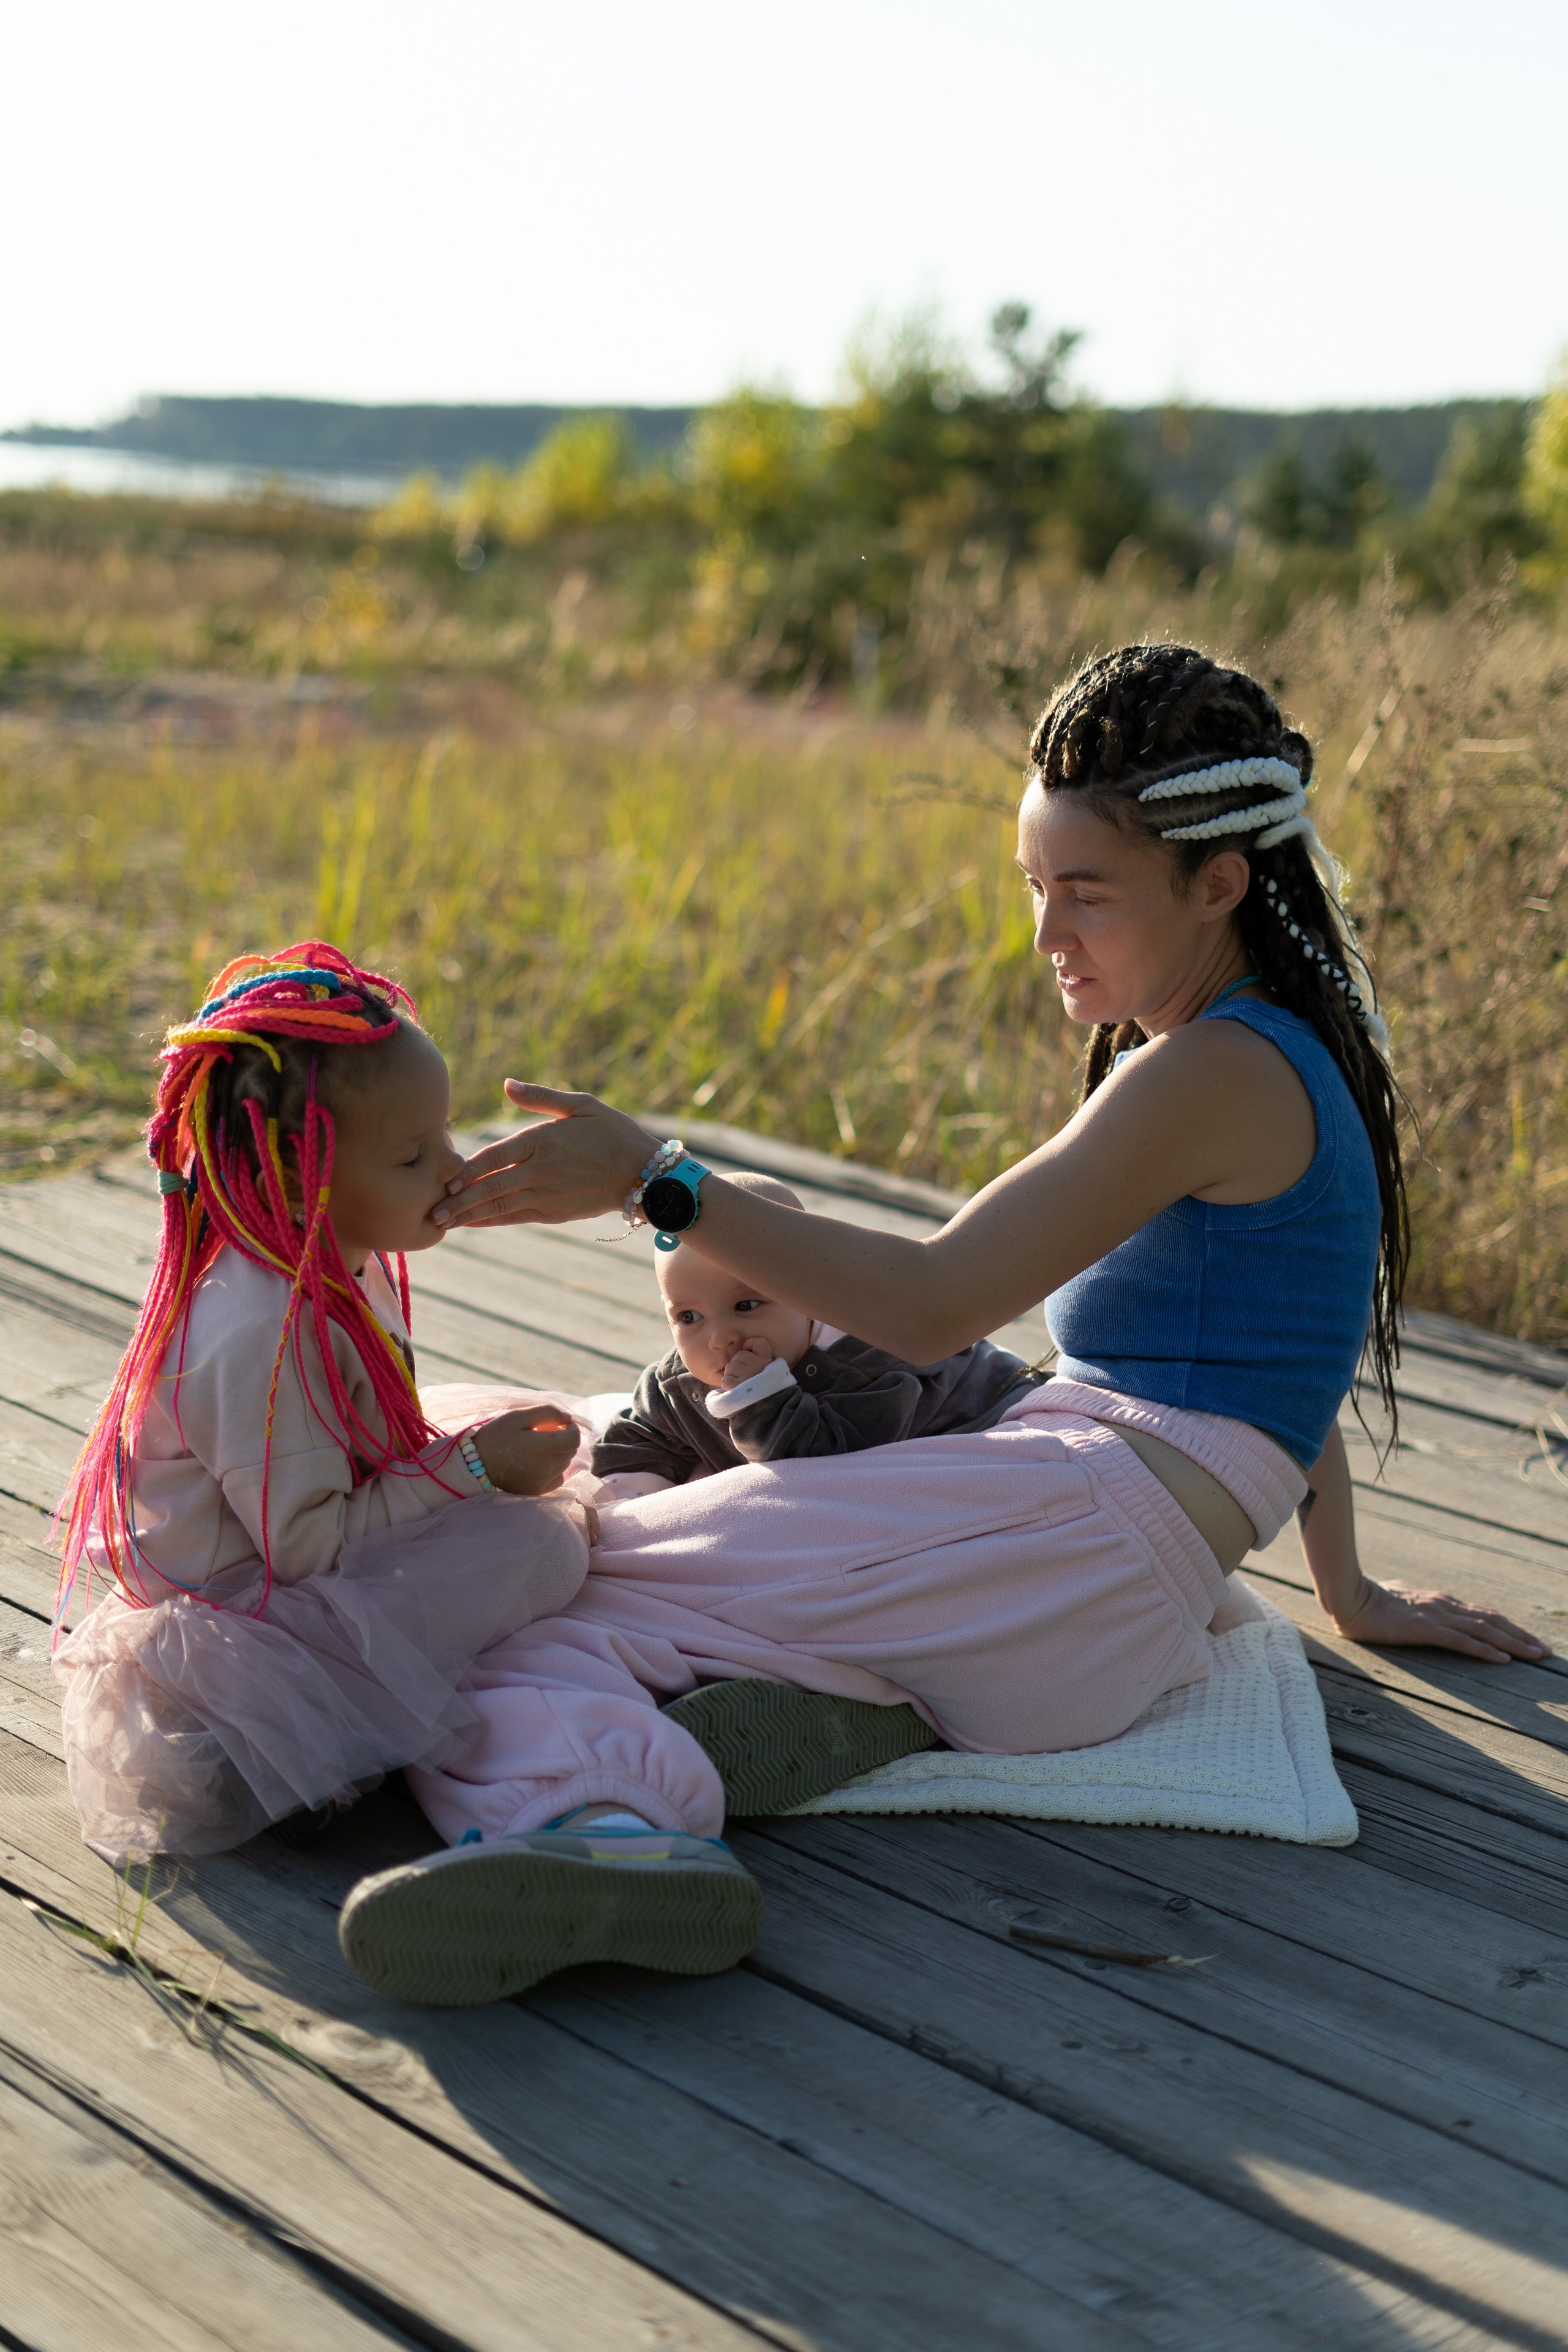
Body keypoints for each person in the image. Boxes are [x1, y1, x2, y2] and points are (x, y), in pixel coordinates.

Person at [336, 646, 1550, 2010]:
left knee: (555, 1569)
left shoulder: (1214, 1069)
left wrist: (657, 1181)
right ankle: (856, 1704)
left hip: (1069, 1545)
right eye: (1035, 888)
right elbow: (1282, 1365)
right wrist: (1349, 1595)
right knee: (629, 1516)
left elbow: (929, 1304)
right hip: (1079, 1584)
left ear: (1218, 884)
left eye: (1086, 894)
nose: (1046, 935)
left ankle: (610, 1834)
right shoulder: (1261, 1051)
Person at [53, 943, 590, 1866]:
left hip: (295, 1531)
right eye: (415, 1155)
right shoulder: (260, 1332)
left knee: (532, 1452)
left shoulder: (325, 1254)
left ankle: (367, 1715)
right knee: (545, 1545)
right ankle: (271, 1739)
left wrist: (460, 1467)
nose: (454, 1167)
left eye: (447, 1135)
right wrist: (472, 1468)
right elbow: (305, 1549)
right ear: (303, 1181)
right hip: (249, 1611)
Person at [591, 1170, 1043, 1498]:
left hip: (985, 1401)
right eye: (689, 1317)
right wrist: (637, 1490)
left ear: (807, 1294)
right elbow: (637, 1438)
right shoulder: (676, 1385)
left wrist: (761, 1402)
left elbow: (828, 1479)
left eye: (746, 1306)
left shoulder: (867, 1364)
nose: (720, 1338)